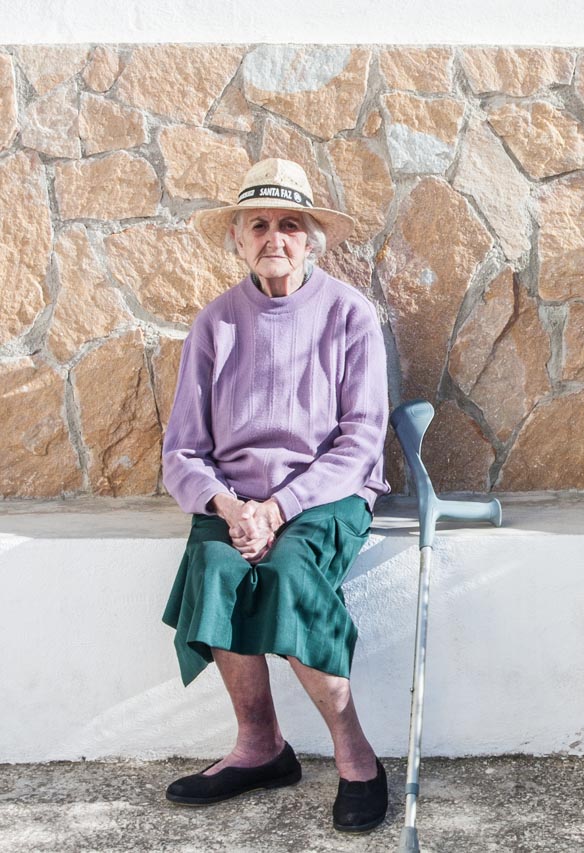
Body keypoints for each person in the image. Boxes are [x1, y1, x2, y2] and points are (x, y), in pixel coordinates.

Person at [160, 158, 391, 833]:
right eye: (258, 224)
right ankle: (260, 747)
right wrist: (230, 507)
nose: (274, 238)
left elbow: (361, 440)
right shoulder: (215, 323)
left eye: (289, 224)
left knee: (289, 574)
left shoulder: (349, 314)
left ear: (310, 239)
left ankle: (356, 756)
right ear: (238, 238)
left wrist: (280, 508)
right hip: (235, 501)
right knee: (216, 567)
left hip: (325, 495)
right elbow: (182, 450)